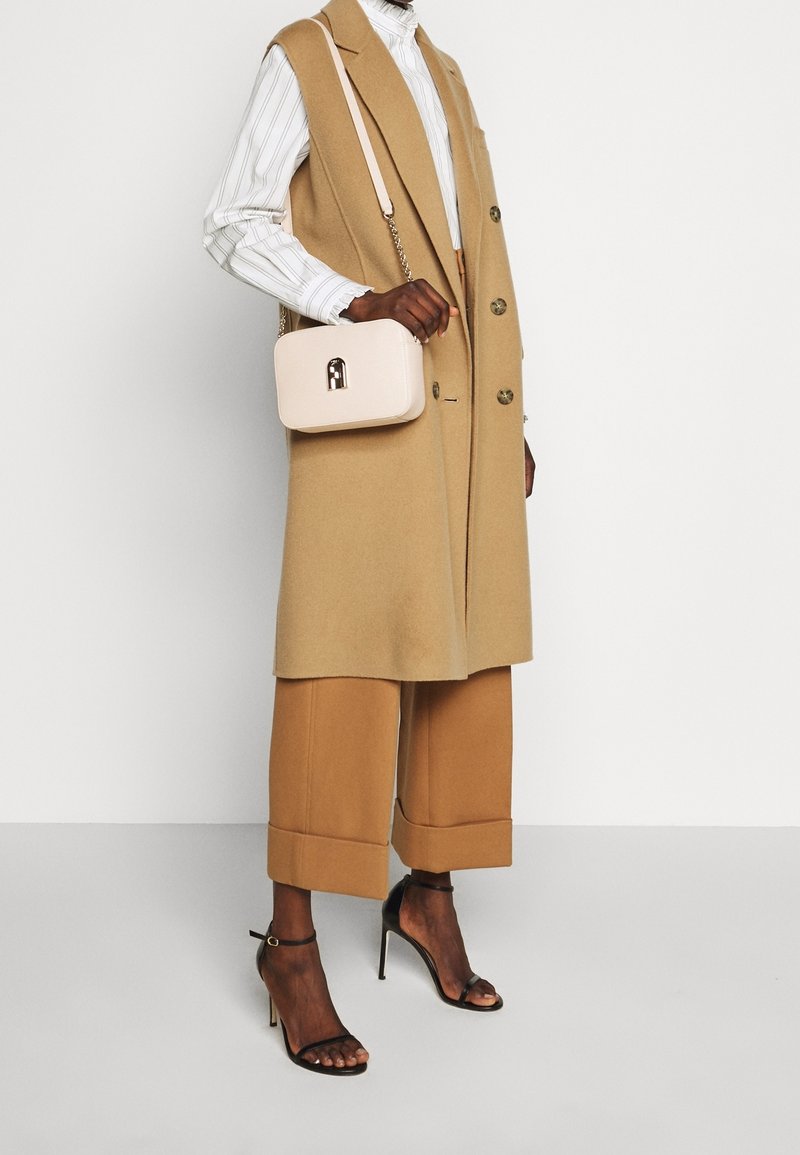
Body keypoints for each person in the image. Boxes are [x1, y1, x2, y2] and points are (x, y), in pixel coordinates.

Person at [202, 0, 534, 1076]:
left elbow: (476, 255)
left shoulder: (438, 65)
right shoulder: (304, 55)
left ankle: (425, 897)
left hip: (465, 418)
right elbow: (234, 221)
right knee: (335, 659)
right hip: (372, 400)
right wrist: (354, 301)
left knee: (466, 654)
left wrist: (509, 420)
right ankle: (289, 947)